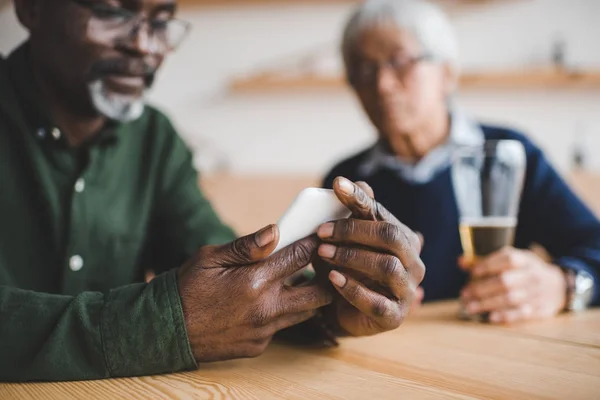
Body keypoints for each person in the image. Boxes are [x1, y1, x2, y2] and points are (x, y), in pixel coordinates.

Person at [0, 0, 426, 382]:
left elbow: (216, 269)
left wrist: (332, 305)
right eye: (114, 12)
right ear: (31, 9)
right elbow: (183, 316)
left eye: (162, 20)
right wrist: (160, 323)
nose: (146, 45)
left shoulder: (154, 138)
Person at [324, 0, 599, 323]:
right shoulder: (345, 180)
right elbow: (318, 289)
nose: (382, 85)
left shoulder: (506, 156)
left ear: (447, 73)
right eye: (364, 69)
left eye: (399, 61)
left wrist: (561, 285)